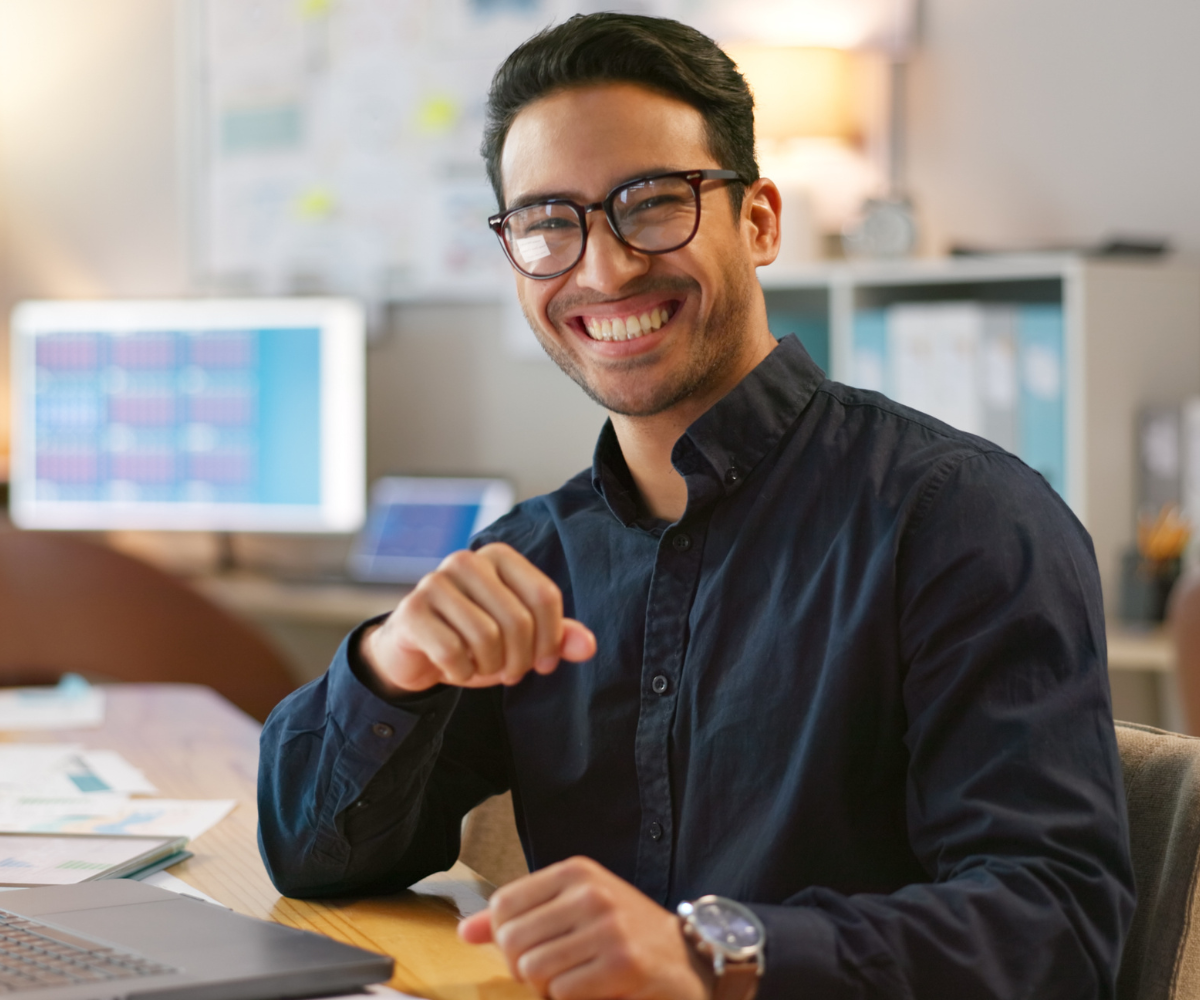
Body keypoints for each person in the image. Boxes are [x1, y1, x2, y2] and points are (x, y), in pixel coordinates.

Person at [258, 13, 1134, 1000]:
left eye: (652, 203)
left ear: (759, 222)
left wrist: (716, 953)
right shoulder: (534, 557)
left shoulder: (961, 520)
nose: (603, 268)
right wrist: (392, 666)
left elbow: (1056, 931)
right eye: (549, 223)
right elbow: (313, 858)